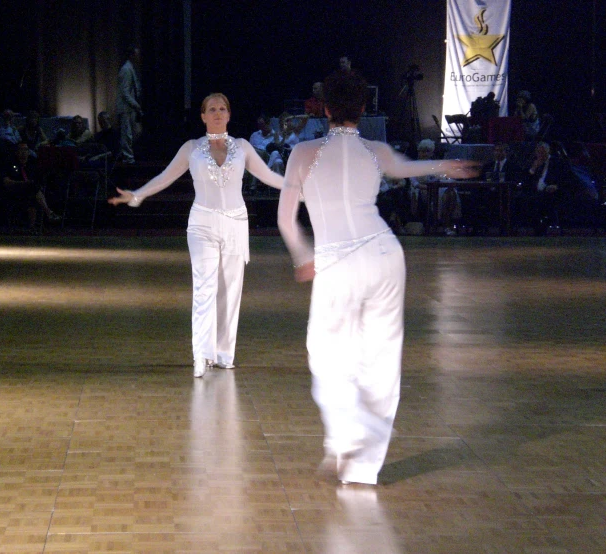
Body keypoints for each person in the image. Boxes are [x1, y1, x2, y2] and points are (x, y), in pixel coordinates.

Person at [277, 71, 477, 486]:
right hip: (385, 254)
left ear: (324, 108)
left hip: (337, 261)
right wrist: (448, 165)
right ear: (364, 108)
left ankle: (347, 435)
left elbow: (285, 219)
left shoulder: (304, 152)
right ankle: (364, 467)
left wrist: (302, 257)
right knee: (381, 359)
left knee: (327, 353)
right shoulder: (376, 149)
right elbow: (409, 168)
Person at [108, 93, 284, 377]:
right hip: (202, 222)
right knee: (204, 288)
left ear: (229, 114)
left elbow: (270, 177)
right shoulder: (192, 148)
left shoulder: (243, 148)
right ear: (202, 116)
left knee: (230, 291)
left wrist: (301, 190)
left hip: (236, 223)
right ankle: (201, 355)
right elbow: (165, 177)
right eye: (211, 109)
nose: (217, 113)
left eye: (222, 108)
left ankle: (225, 354)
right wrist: (136, 195)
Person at [1, 142, 61, 228]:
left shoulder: (32, 163)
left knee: (33, 195)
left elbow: (38, 179)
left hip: (30, 192)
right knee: (33, 189)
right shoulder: (9, 163)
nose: (23, 152)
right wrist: (22, 183)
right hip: (15, 190)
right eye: (21, 150)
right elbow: (6, 182)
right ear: (16, 152)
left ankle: (32, 227)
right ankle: (48, 212)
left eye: (25, 150)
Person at [115, 46, 143, 164]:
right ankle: (127, 157)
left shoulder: (130, 68)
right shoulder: (126, 70)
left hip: (130, 107)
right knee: (127, 133)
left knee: (134, 132)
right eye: (136, 55)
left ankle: (126, 153)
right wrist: (136, 105)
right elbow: (125, 92)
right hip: (126, 108)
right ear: (131, 56)